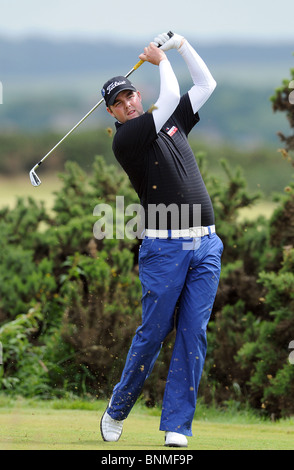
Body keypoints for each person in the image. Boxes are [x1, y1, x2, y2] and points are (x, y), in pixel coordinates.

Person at [100, 32, 223, 448]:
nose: (128, 103)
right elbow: (169, 92)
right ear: (113, 114)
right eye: (119, 102)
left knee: (194, 333)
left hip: (206, 244)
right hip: (164, 249)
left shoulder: (170, 120)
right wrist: (159, 60)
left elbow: (206, 85)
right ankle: (118, 407)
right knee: (154, 333)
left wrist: (182, 46)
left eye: (130, 95)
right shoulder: (127, 139)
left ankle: (177, 427)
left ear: (137, 94)